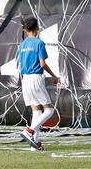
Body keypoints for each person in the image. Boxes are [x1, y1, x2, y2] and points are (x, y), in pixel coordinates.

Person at [18, 17, 61, 151]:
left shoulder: (22, 44)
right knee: (49, 110)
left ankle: (34, 144)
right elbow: (42, 63)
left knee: (36, 110)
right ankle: (29, 131)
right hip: (36, 78)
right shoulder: (39, 43)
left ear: (25, 30)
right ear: (37, 28)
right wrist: (54, 76)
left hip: (25, 79)